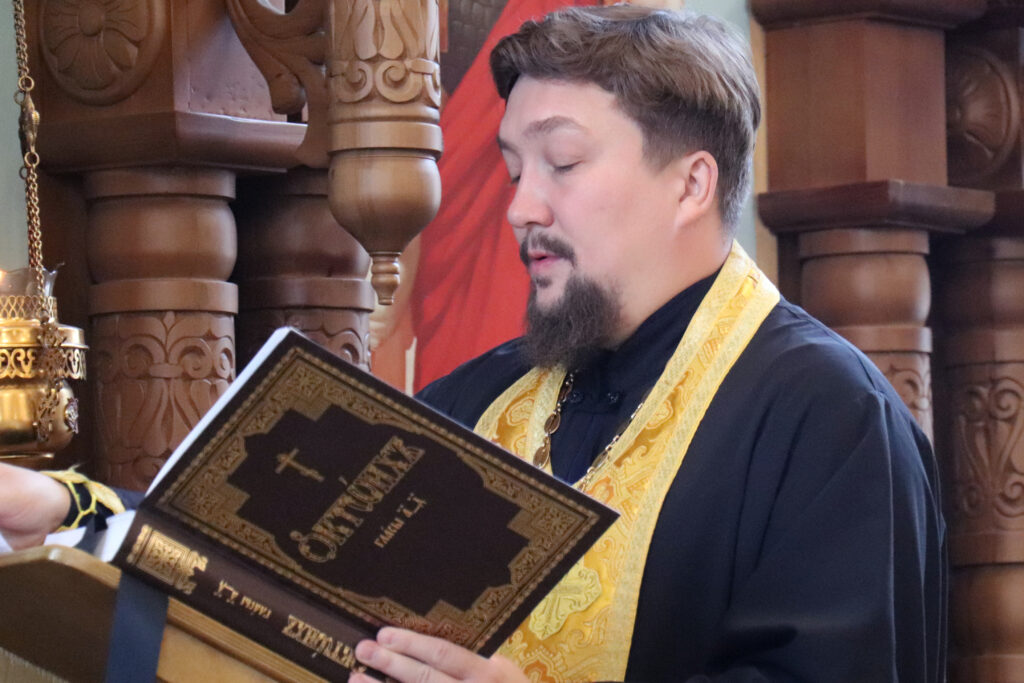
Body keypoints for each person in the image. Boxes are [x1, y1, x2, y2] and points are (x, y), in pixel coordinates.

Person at [0, 5, 946, 682]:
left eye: (562, 163)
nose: (520, 207)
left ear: (692, 184)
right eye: (512, 168)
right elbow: (259, 561)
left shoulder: (829, 414)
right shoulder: (490, 394)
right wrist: (62, 511)